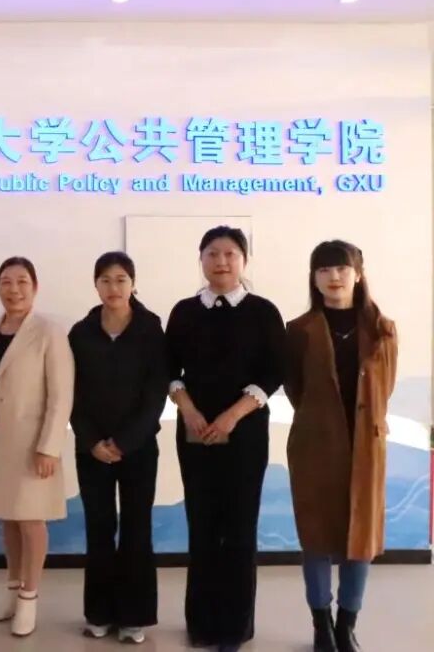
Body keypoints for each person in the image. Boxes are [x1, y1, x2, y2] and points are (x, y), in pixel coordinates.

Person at [165, 226, 286, 652]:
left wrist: (232, 415)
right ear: (201, 259)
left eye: (230, 253)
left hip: (245, 434)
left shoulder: (263, 312)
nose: (221, 261)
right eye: (212, 253)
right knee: (201, 525)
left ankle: (235, 628)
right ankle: (200, 624)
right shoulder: (184, 312)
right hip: (196, 433)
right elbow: (169, 370)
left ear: (243, 260)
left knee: (238, 528)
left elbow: (274, 372)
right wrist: (190, 411)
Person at [284, 240, 397, 652]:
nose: (334, 277)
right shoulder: (298, 330)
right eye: (324, 270)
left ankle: (347, 624)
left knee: (359, 540)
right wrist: (323, 423)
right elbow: (295, 389)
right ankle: (322, 625)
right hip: (315, 447)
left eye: (342, 268)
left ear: (358, 274)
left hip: (367, 447)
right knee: (316, 536)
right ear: (313, 279)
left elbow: (385, 388)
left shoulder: (382, 329)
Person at [0, 257, 73, 638]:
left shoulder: (49, 332)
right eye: (6, 282)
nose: (14, 289)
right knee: (7, 517)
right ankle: (12, 592)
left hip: (32, 445)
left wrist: (50, 447)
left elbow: (61, 395)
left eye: (22, 281)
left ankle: (29, 598)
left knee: (31, 521)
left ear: (35, 287)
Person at [68, 252, 168, 645]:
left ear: (133, 283)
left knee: (136, 530)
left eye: (121, 279)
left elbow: (155, 393)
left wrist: (124, 442)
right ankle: (99, 613)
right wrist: (92, 441)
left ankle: (133, 617)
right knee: (99, 528)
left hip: (138, 449)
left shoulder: (150, 328)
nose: (114, 287)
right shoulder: (81, 332)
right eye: (106, 280)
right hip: (91, 450)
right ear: (96, 285)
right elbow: (72, 394)